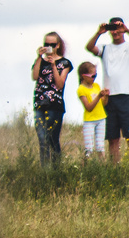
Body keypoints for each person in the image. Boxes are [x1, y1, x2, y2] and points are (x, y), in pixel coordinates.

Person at [86, 16, 129, 163]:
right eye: (113, 28)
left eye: (118, 28)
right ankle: (115, 168)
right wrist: (99, 33)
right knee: (112, 137)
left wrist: (127, 30)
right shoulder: (105, 48)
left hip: (126, 95)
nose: (115, 31)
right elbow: (90, 47)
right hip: (109, 97)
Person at [30, 31, 73, 166]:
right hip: (40, 103)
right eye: (46, 44)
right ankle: (44, 170)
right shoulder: (40, 61)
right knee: (42, 140)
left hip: (55, 105)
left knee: (52, 139)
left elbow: (60, 84)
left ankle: (56, 170)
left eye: (52, 45)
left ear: (58, 45)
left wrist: (54, 65)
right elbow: (35, 77)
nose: (49, 48)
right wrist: (39, 57)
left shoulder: (64, 63)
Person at [76, 61, 109, 157]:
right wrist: (98, 96)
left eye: (95, 75)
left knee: (100, 146)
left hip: (101, 118)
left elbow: (104, 103)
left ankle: (102, 168)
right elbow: (88, 107)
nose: (94, 78)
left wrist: (106, 96)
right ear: (84, 76)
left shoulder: (96, 86)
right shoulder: (81, 90)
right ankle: (86, 168)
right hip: (89, 120)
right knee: (89, 148)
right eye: (92, 76)